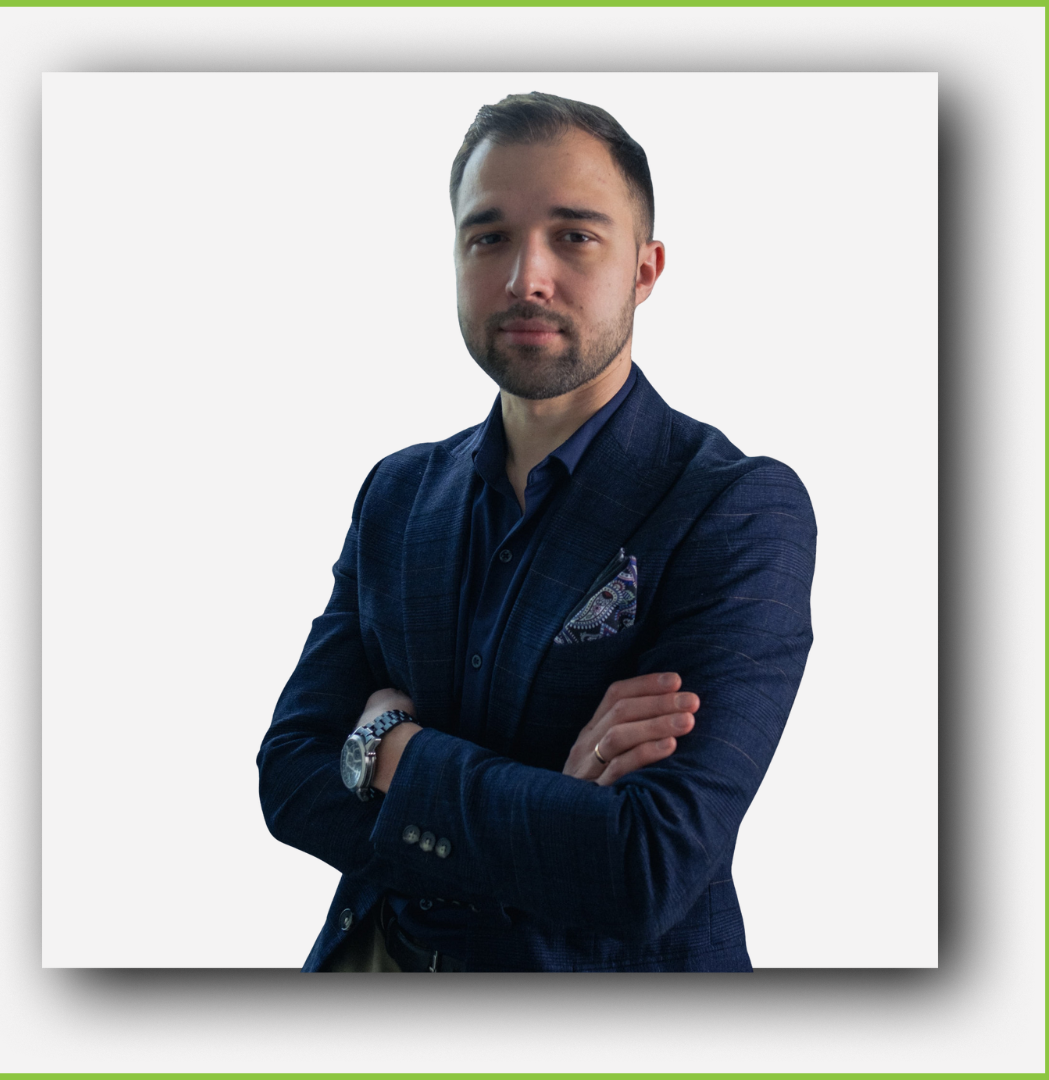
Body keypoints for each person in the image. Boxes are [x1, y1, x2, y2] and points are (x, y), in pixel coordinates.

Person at [257, 91, 816, 972]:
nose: (525, 278)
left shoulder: (736, 509)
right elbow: (290, 777)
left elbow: (646, 865)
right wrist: (550, 808)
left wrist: (391, 753)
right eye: (489, 237)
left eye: (574, 235)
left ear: (645, 268)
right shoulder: (398, 493)